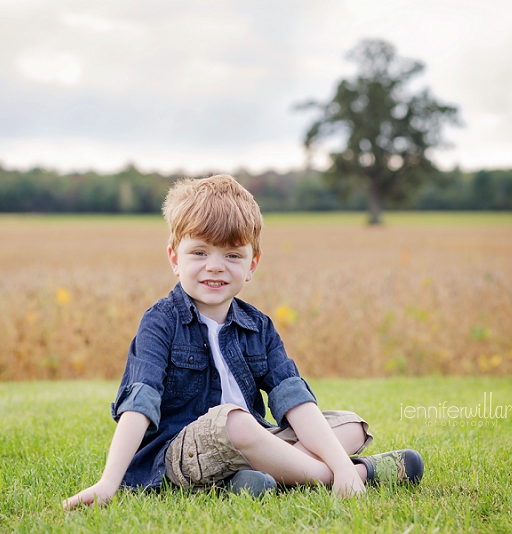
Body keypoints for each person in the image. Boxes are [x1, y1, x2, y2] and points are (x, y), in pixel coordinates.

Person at [64, 174, 423, 509]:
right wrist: (109, 483)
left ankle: (252, 480)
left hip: (254, 441)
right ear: (175, 258)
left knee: (350, 426)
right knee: (235, 421)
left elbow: (293, 397)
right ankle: (351, 473)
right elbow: (140, 402)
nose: (216, 266)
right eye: (200, 252)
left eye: (232, 255)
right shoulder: (160, 322)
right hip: (182, 454)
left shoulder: (258, 326)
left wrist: (323, 447)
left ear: (252, 264)